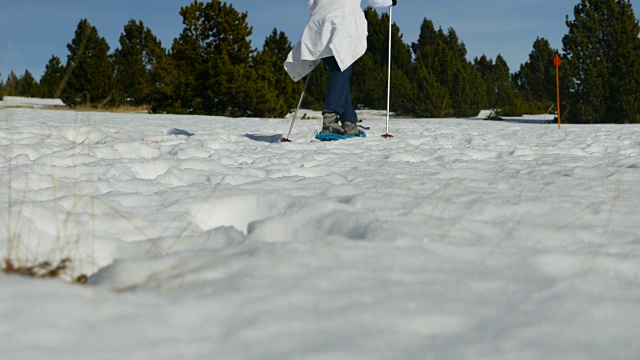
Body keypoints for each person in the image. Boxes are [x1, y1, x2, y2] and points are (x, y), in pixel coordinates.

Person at [285, 0, 398, 137]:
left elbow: (311, 3)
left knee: (339, 71)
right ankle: (330, 119)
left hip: (319, 23)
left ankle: (348, 122)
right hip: (342, 20)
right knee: (341, 69)